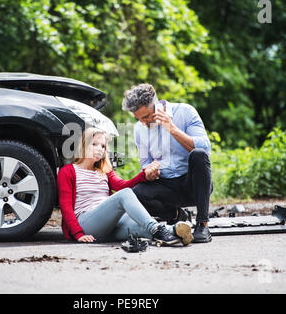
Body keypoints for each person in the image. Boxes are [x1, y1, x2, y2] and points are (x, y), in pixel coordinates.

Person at [57, 127, 193, 245]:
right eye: (95, 144)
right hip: (87, 224)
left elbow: (122, 185)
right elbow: (66, 208)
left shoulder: (104, 170)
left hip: (108, 224)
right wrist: (79, 234)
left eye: (103, 146)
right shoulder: (68, 171)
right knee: (125, 195)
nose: (100, 149)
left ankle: (175, 232)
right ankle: (158, 229)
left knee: (140, 227)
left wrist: (144, 175)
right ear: (84, 145)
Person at [122, 83, 213, 243]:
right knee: (136, 193)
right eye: (138, 118)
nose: (143, 122)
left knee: (198, 154)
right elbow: (145, 162)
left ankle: (202, 225)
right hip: (166, 186)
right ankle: (176, 215)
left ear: (156, 106)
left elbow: (204, 148)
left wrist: (172, 129)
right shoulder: (139, 129)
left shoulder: (185, 111)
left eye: (146, 117)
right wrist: (149, 172)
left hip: (192, 184)